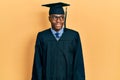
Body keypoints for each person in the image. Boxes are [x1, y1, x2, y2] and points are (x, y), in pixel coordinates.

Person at [31, 2, 85, 80]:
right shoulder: (42, 36)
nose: (58, 20)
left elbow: (78, 63)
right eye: (55, 17)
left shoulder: (73, 36)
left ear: (64, 18)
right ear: (49, 18)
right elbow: (37, 64)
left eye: (61, 17)